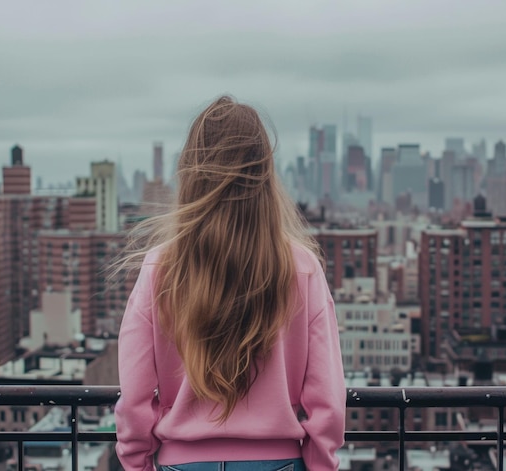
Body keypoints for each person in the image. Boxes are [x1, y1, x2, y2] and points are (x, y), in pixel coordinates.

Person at [114, 96, 346, 471]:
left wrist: (138, 464)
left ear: (190, 171)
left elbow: (135, 397)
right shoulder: (303, 268)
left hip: (181, 464)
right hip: (279, 462)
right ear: (265, 174)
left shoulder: (160, 268)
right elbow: (328, 401)